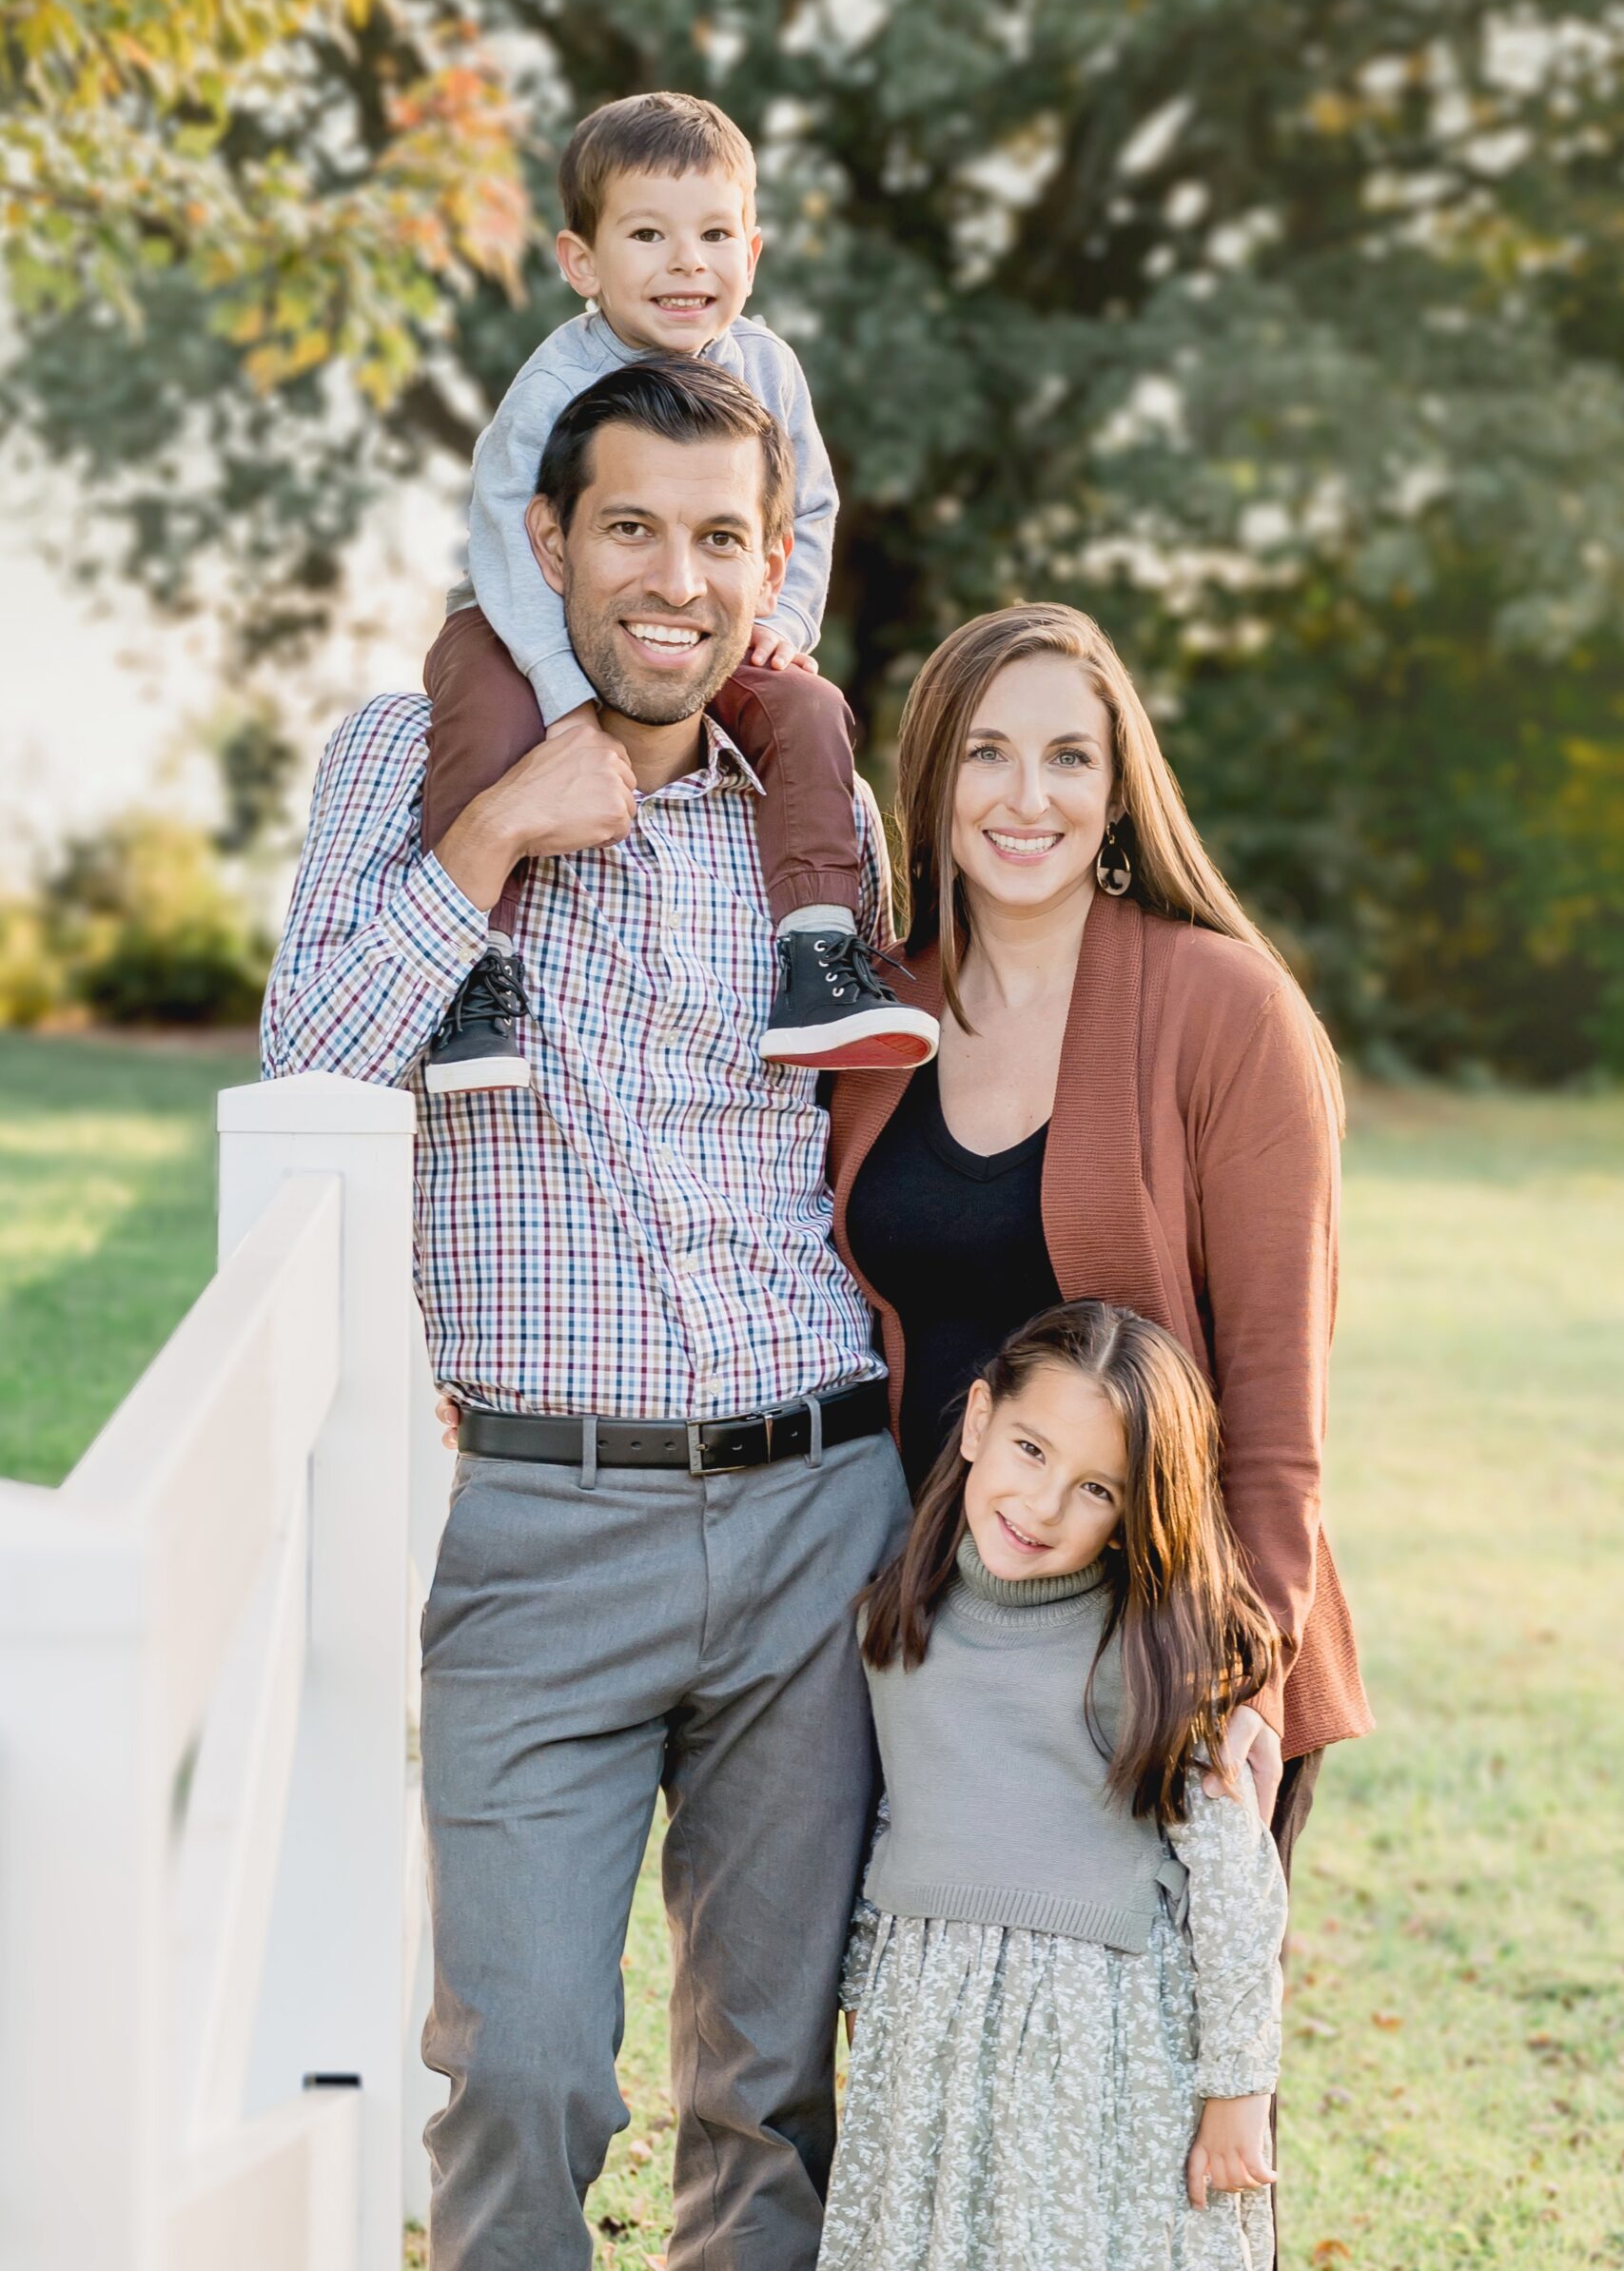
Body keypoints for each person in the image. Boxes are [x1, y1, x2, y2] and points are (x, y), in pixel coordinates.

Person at [262, 357, 914, 2271]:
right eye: (630, 525)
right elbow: (310, 1071)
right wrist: (491, 847)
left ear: (770, 562)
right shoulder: (408, 761)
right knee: (529, 2067)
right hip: (539, 1535)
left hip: (815, 1508)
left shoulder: (810, 809)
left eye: (721, 537)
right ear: (546, 541)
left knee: (769, 2085)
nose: (673, 578)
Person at [828, 603, 1373, 1844]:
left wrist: (1244, 1664)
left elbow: (1276, 1394)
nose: (1027, 796)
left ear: (1119, 788)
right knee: (929, 2030)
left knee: (1138, 2043)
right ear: (929, 780)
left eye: (1068, 755)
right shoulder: (870, 1015)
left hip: (1156, 1657)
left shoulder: (1225, 1011)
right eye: (985, 751)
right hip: (933, 1655)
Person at [420, 87, 934, 1088]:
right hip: (524, 614)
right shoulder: (555, 381)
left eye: (712, 234)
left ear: (754, 251)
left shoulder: (766, 369)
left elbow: (811, 509)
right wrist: (564, 706)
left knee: (812, 712)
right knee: (480, 705)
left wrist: (784, 621)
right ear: (583, 262)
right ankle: (478, 975)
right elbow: (499, 536)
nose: (686, 262)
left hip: (699, 629)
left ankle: (819, 954)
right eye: (648, 234)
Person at [818, 1300, 1290, 2271]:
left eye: (1096, 1491)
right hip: (931, 2030)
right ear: (980, 1420)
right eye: (1030, 1451)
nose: (1042, 1507)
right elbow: (896, 1823)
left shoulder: (1152, 1653)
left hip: (1101, 2045)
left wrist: (1238, 2087)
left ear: (1135, 1512)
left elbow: (1233, 1882)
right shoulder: (898, 1619)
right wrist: (867, 1992)